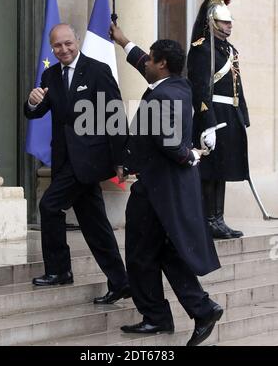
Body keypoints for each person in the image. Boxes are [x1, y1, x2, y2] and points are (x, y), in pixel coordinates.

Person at [110, 24, 223, 347]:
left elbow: (169, 142)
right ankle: (200, 309)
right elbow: (142, 60)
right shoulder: (178, 84)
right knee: (165, 253)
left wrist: (188, 155)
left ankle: (160, 316)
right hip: (166, 188)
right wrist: (122, 41)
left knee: (140, 253)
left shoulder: (164, 95)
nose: (145, 62)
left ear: (161, 64)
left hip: (157, 189)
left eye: (150, 59)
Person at [24, 23, 130, 305]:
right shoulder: (50, 75)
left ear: (77, 41)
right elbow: (35, 112)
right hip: (64, 161)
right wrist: (33, 102)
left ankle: (59, 270)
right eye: (58, 46)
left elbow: (115, 115)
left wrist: (121, 159)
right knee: (95, 225)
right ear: (52, 48)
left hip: (90, 160)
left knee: (49, 205)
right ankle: (121, 282)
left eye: (68, 43)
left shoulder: (97, 70)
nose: (64, 50)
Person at [187, 0, 250, 240]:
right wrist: (207, 123)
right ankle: (208, 219)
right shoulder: (203, 48)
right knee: (210, 170)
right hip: (212, 116)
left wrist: (242, 115)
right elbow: (200, 87)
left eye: (230, 21)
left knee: (222, 169)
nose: (229, 25)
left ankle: (218, 218)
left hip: (229, 116)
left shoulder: (228, 50)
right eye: (224, 22)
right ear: (213, 22)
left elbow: (237, 85)